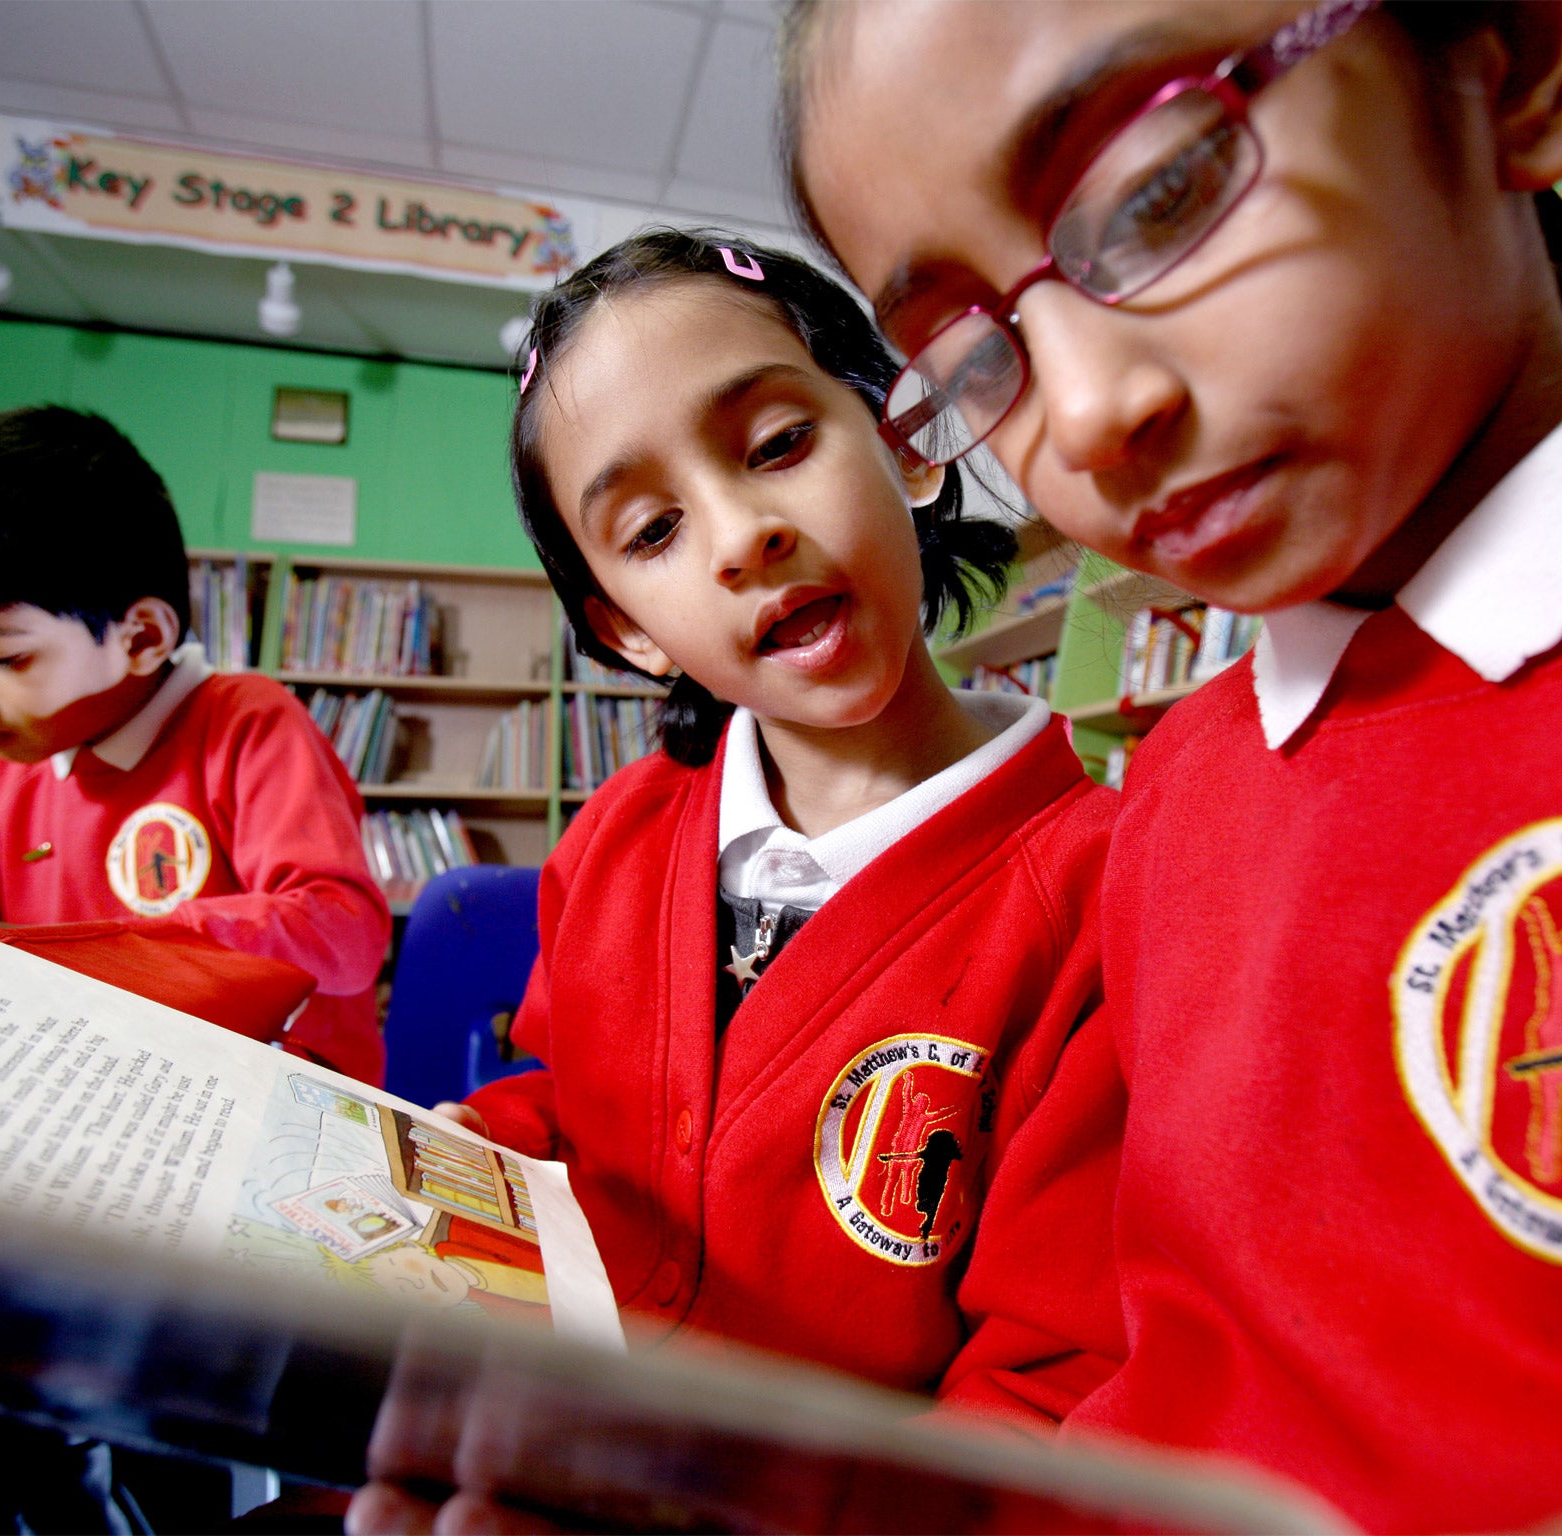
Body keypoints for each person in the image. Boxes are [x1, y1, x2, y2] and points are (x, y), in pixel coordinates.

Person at [778, 0, 1562, 1529]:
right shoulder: (1180, 800)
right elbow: (1112, 1387)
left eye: (1158, 194)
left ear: (1513, 58)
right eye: (974, 357)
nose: (1085, 416)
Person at [425, 224, 1114, 1381]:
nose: (744, 538)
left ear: (904, 444)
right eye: (653, 531)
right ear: (629, 629)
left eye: (779, 443)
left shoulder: (1096, 889)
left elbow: (1044, 1373)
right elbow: (575, 1113)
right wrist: (478, 1146)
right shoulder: (618, 834)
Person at [0, 406, 393, 1084]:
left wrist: (14, 945)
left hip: (256, 1104)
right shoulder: (4, 769)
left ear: (140, 638)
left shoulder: (244, 720)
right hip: (77, 1088)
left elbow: (345, 935)